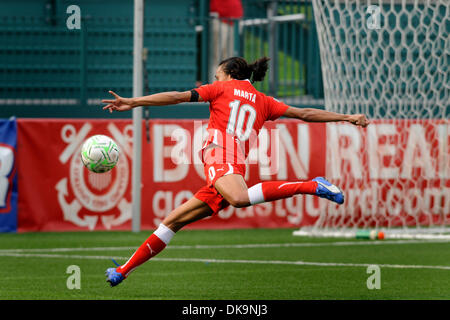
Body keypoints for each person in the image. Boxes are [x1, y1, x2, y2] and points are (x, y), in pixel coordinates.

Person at [102, 56, 369, 287]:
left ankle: (311, 185)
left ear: (229, 73)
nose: (215, 78)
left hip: (221, 156)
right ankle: (122, 272)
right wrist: (346, 117)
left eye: (217, 74)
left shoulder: (220, 88)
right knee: (172, 222)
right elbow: (306, 114)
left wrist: (134, 102)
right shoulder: (265, 101)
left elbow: (176, 97)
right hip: (231, 165)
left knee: (239, 199)